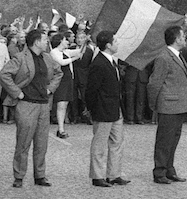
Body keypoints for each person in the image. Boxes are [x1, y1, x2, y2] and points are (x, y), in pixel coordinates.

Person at [0, 28, 63, 188]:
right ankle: (19, 176)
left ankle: (40, 175)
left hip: (43, 104)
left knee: (42, 143)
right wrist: (17, 93)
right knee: (23, 142)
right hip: (26, 104)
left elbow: (58, 73)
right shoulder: (20, 58)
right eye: (44, 39)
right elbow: (3, 74)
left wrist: (50, 89)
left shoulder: (47, 58)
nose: (47, 41)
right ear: (36, 42)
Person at [147, 25, 187, 185]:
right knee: (164, 140)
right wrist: (154, 104)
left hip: (179, 104)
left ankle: (169, 169)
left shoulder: (177, 55)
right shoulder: (164, 57)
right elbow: (154, 83)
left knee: (173, 139)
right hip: (168, 105)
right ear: (176, 39)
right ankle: (159, 171)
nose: (184, 38)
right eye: (182, 36)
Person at [85, 30, 130, 187]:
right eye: (115, 41)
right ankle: (97, 176)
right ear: (108, 45)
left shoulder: (111, 61)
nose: (117, 43)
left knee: (117, 142)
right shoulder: (98, 63)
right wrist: (91, 109)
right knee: (100, 144)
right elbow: (91, 89)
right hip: (102, 109)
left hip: (115, 109)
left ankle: (114, 174)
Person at [49, 32, 82, 140]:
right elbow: (61, 62)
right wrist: (75, 58)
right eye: (64, 40)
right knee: (61, 103)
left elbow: (79, 51)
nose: (66, 42)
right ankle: (60, 128)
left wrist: (85, 42)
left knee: (65, 103)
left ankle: (61, 127)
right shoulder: (54, 52)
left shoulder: (66, 51)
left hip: (68, 79)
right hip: (61, 80)